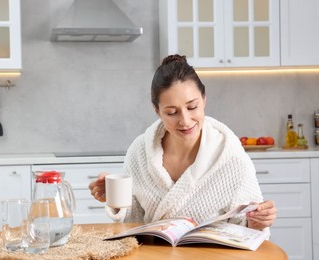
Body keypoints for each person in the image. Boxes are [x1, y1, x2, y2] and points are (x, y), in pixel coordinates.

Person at [89, 54, 277, 232]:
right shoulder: (139, 152)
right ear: (157, 110)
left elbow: (244, 225)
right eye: (171, 112)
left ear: (204, 99)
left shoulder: (230, 155)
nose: (185, 121)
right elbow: (134, 221)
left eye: (192, 107)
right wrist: (114, 198)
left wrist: (257, 221)